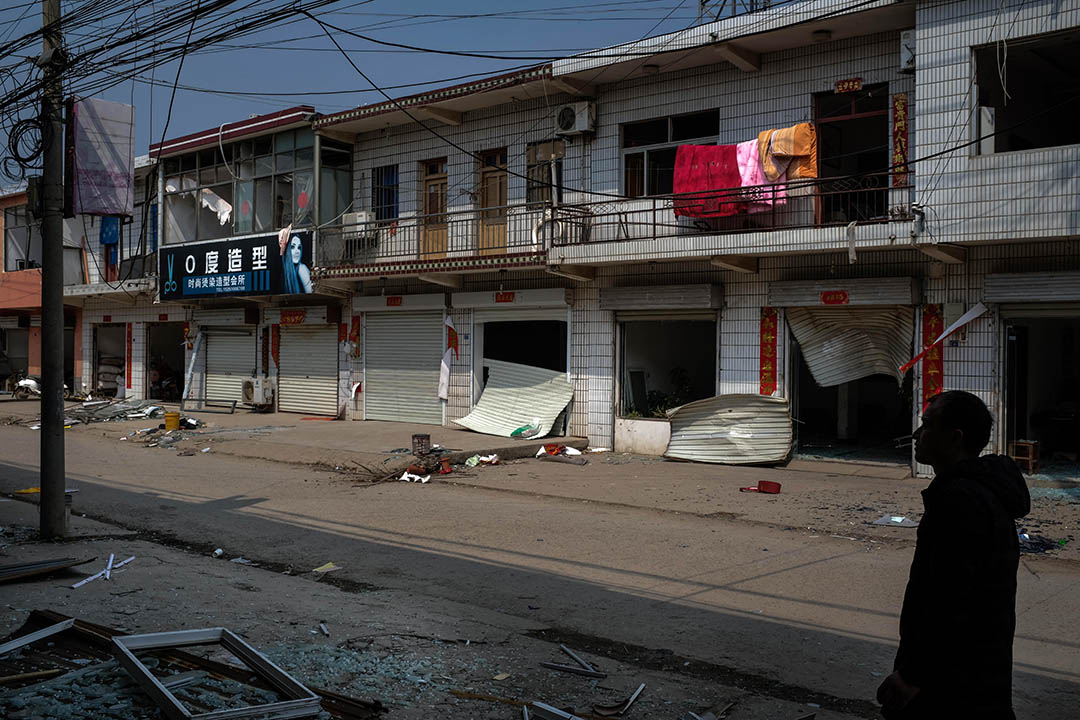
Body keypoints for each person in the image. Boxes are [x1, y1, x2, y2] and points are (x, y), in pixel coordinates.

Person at [877, 390, 1030, 719]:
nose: (917, 434)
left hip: (951, 685)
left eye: (927, 425)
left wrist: (912, 675)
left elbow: (950, 601)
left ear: (954, 438)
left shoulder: (960, 501)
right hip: (977, 676)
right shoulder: (980, 492)